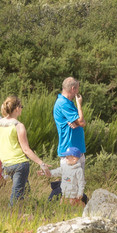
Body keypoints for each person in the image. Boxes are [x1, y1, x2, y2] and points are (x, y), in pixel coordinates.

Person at [0, 95, 51, 206]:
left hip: (6, 164)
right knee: (17, 194)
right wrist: (41, 163)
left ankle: (31, 211)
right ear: (16, 109)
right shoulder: (18, 126)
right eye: (21, 106)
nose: (21, 109)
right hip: (19, 163)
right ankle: (13, 216)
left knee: (26, 191)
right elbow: (26, 149)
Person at [53, 78, 86, 206]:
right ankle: (63, 211)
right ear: (73, 89)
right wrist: (79, 104)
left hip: (75, 149)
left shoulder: (67, 102)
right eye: (77, 89)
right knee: (71, 188)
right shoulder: (64, 103)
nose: (78, 92)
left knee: (76, 185)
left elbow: (80, 123)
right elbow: (82, 122)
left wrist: (77, 122)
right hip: (70, 151)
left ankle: (74, 212)